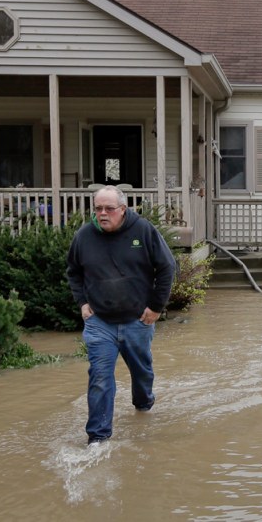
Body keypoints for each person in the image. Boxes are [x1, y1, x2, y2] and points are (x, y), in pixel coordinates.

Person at [66, 185, 177, 446]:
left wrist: (156, 307)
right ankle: (98, 437)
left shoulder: (143, 230)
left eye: (109, 208)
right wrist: (82, 302)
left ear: (123, 210)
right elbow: (74, 271)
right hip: (100, 323)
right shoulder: (84, 236)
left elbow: (167, 266)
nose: (103, 214)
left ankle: (143, 403)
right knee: (100, 378)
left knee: (142, 374)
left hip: (137, 321)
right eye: (98, 208)